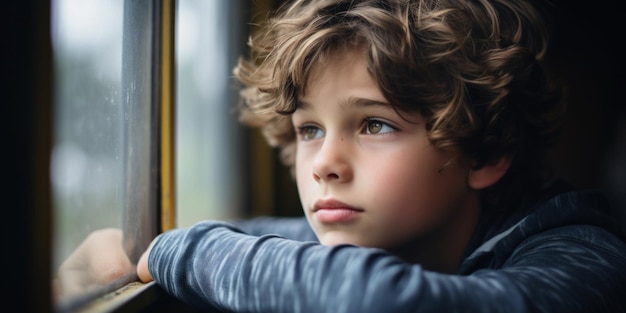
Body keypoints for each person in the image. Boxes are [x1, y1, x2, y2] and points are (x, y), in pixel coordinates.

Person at [72, 0, 626, 312]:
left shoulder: (582, 259)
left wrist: (182, 251)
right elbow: (262, 237)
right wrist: (134, 249)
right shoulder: (379, 229)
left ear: (485, 151)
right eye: (309, 128)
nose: (323, 163)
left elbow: (386, 301)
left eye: (375, 124)